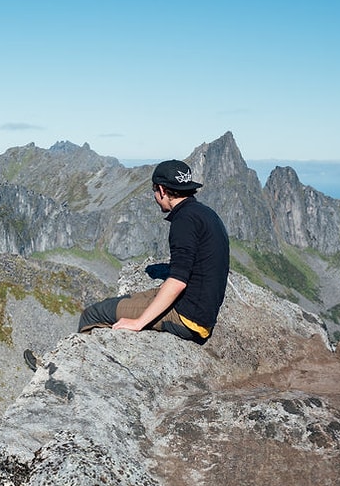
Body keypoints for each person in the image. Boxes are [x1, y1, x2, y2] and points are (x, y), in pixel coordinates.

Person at [24, 159, 230, 371]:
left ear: (161, 189)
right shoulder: (204, 213)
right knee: (117, 303)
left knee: (93, 314)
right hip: (200, 310)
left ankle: (65, 371)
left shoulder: (183, 222)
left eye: (154, 191)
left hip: (188, 317)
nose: (155, 197)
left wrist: (138, 322)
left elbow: (178, 281)